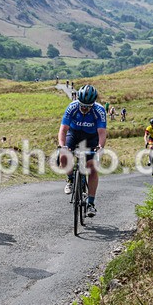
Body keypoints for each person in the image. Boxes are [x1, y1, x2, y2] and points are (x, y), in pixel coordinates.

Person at [58, 84, 107, 216]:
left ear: (93, 103)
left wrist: (100, 147)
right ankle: (70, 179)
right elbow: (63, 129)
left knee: (92, 167)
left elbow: (102, 132)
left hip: (92, 137)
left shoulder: (99, 110)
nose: (84, 108)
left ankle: (91, 203)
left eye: (88, 106)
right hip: (74, 134)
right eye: (82, 105)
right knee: (63, 155)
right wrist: (63, 146)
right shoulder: (72, 107)